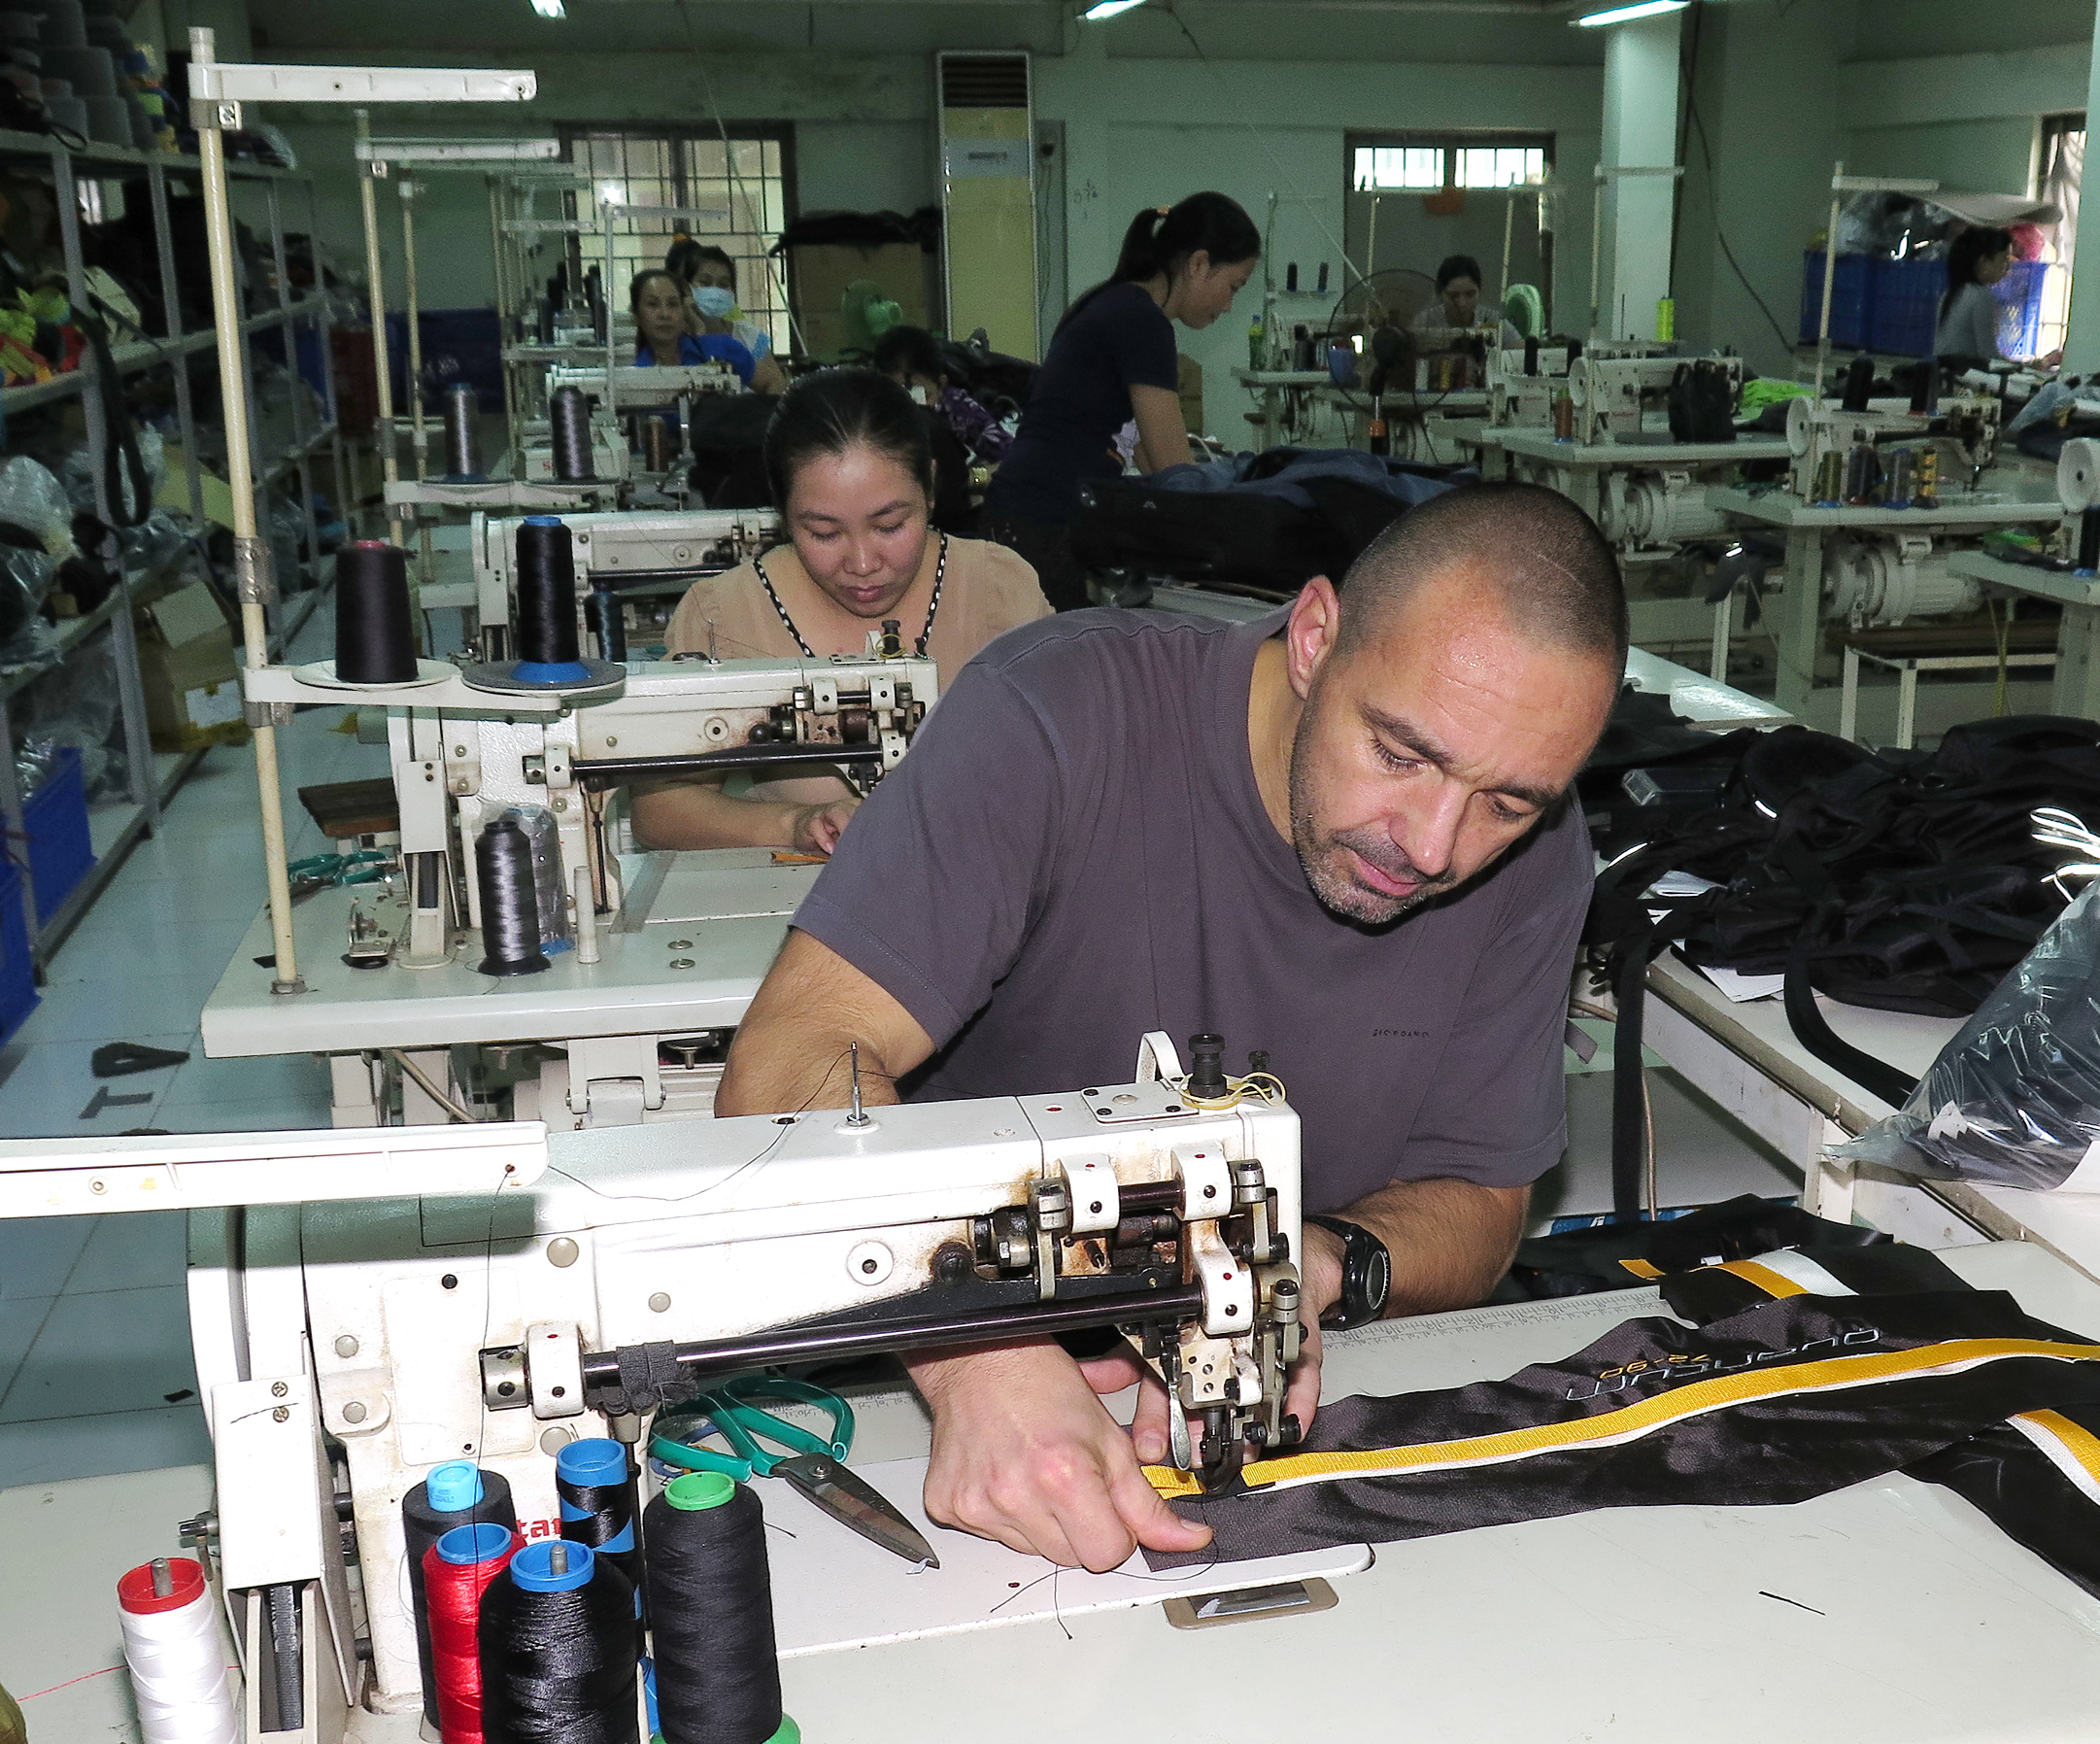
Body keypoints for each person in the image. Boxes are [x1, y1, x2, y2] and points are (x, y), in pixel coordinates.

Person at [720, 480, 1624, 1571]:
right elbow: (786, 1061)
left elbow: (1482, 1197)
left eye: (1508, 801)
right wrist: (977, 1349)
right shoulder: (1057, 717)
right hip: (906, 1373)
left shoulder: (1536, 860)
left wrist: (1301, 1269)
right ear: (1313, 637)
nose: (1434, 845)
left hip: (1221, 1395)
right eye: (1399, 753)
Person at [634, 367, 1049, 854]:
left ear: (931, 489)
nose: (863, 564)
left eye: (890, 525)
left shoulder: (999, 590)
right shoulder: (724, 617)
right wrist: (795, 824)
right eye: (824, 534)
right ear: (783, 513)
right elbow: (658, 811)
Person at [982, 191, 1260, 610]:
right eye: (1233, 286)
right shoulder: (1143, 322)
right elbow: (1175, 469)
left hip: (1023, 512)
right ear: (1199, 264)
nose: (1229, 304)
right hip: (1043, 520)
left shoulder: (1110, 302)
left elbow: (1148, 450)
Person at [628, 267, 786, 393]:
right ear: (636, 315)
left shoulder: (721, 348)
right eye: (653, 304)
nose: (664, 314)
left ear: (684, 310)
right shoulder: (632, 377)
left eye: (673, 304)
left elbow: (773, 382)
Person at [872, 324, 1011, 464]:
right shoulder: (870, 414)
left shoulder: (957, 408)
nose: (909, 406)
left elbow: (1013, 459)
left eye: (921, 395)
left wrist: (975, 478)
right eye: (896, 395)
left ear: (941, 385)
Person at [681, 244, 791, 393]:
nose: (715, 290)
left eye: (723, 284)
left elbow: (776, 385)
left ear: (732, 292)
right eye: (705, 283)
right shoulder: (677, 339)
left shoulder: (749, 336)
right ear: (687, 288)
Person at [1932, 226, 2015, 364]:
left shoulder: (1952, 292)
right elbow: (1988, 354)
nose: (2007, 267)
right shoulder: (1980, 296)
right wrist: (2021, 367)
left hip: (1946, 372)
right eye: (2004, 260)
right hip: (1964, 375)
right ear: (1984, 262)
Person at [1416, 254, 1524, 348]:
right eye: (1453, 296)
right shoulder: (1425, 321)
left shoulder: (1491, 320)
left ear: (1479, 290)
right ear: (1440, 293)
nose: (1462, 303)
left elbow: (1520, 347)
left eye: (1470, 294)